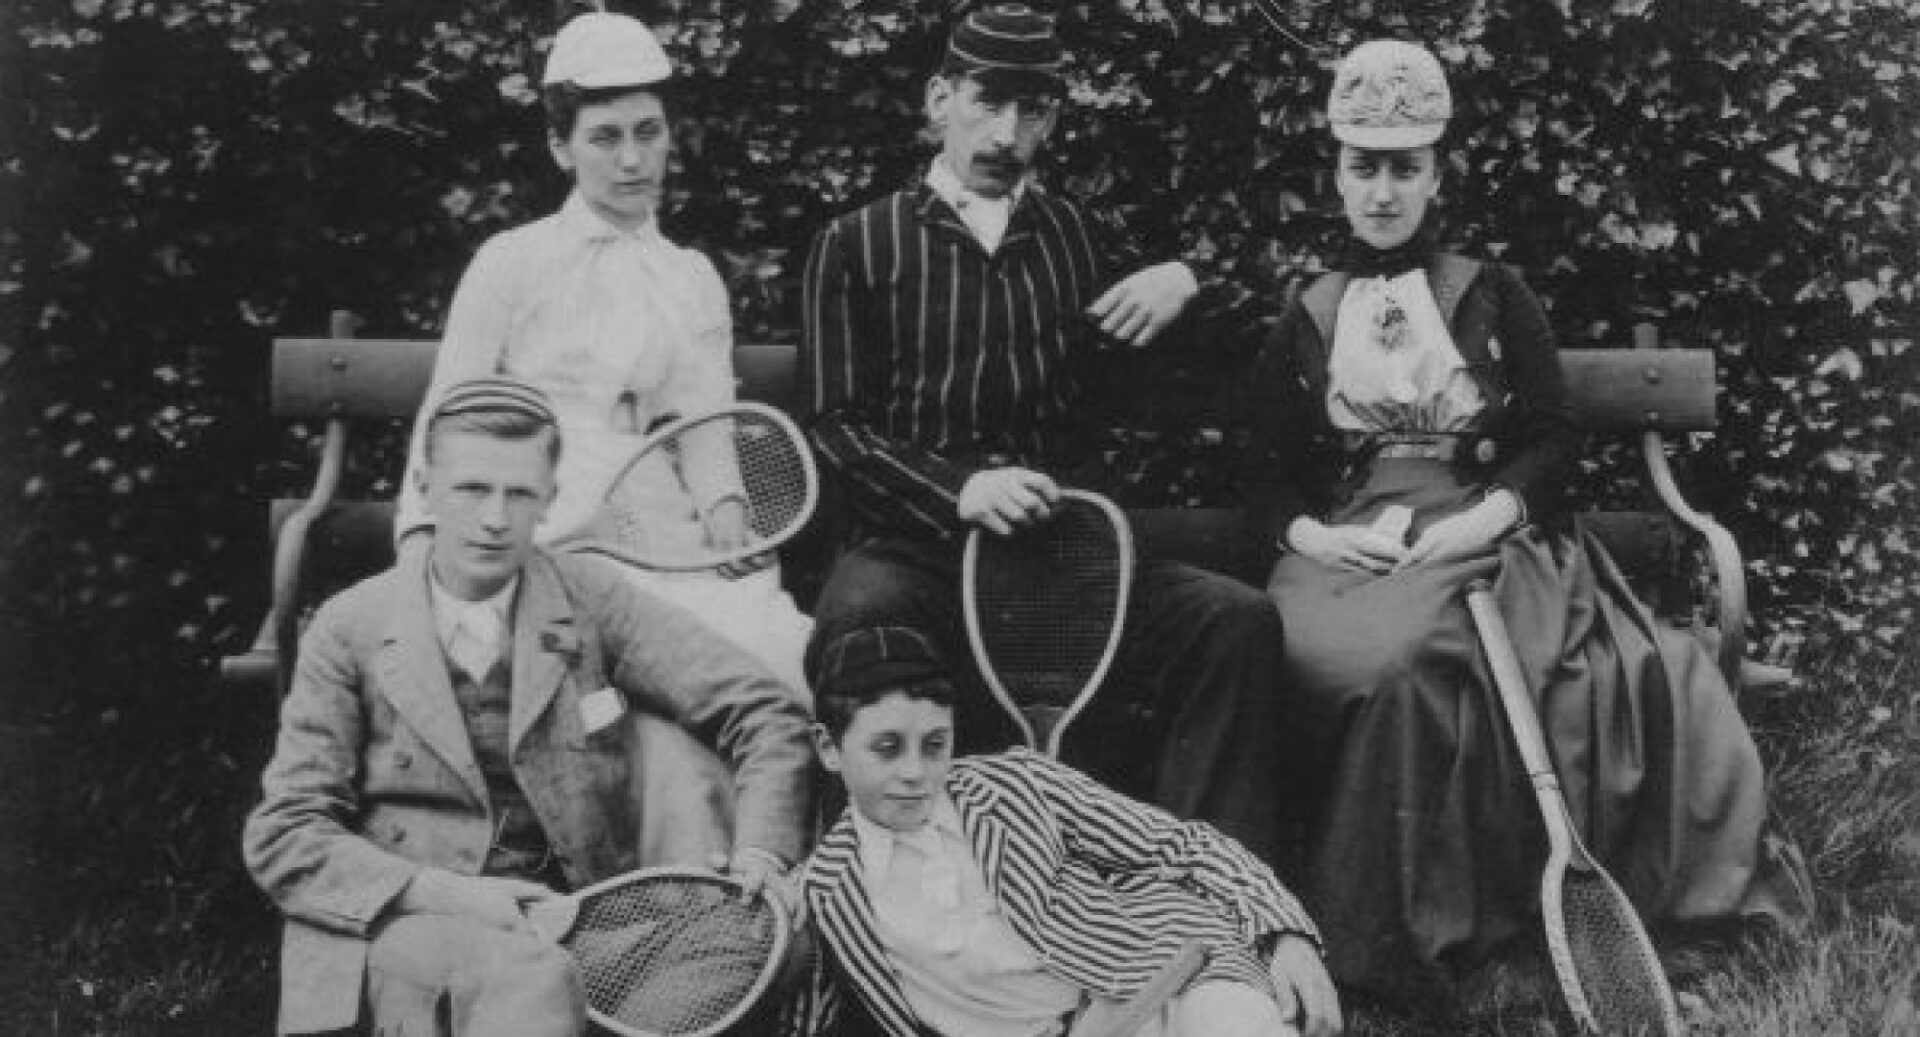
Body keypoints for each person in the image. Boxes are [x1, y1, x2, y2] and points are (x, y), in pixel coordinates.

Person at [1243, 40, 1810, 1003]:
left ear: (1436, 176)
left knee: (1417, 663)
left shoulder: (1492, 294)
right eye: (1363, 167)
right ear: (1336, 175)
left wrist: (1482, 521)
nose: (1383, 192)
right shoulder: (1309, 311)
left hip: (1484, 536)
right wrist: (1317, 538)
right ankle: (1331, 917)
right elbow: (1266, 475)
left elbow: (1551, 442)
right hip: (1350, 544)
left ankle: (1413, 931)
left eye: (1404, 169)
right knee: (1318, 651)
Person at [800, 2, 1293, 864]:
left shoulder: (1075, 236)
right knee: (858, 620)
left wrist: (1187, 278)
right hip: (915, 555)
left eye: (1031, 111)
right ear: (938, 99)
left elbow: (1244, 342)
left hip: (1065, 560)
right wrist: (961, 490)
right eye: (987, 103)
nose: (1006, 132)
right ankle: (877, 902)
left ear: (1054, 118)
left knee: (1234, 624)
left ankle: (1217, 899)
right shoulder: (856, 245)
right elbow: (836, 431)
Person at [244, 377, 815, 1037]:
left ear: (548, 499)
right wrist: (450, 893)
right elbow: (285, 833)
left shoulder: (590, 596)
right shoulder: (352, 627)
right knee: (535, 983)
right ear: (426, 488)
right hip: (415, 927)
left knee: (768, 944)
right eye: (472, 489)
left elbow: (762, 707)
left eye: (518, 493)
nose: (494, 517)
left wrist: (763, 853)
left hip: (579, 926)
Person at [394, 11, 812, 691]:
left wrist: (728, 517)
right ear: (561, 148)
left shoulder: (691, 278)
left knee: (771, 663)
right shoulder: (510, 264)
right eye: (604, 138)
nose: (631, 159)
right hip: (537, 516)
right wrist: (421, 549)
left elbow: (707, 431)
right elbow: (448, 418)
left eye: (649, 133)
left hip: (657, 520)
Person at [798, 626, 1343, 1037]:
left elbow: (1186, 846)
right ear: (828, 748)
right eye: (887, 748)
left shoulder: (1016, 784)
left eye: (935, 744)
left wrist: (1284, 934)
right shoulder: (823, 889)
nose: (916, 772)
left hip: (1162, 981)